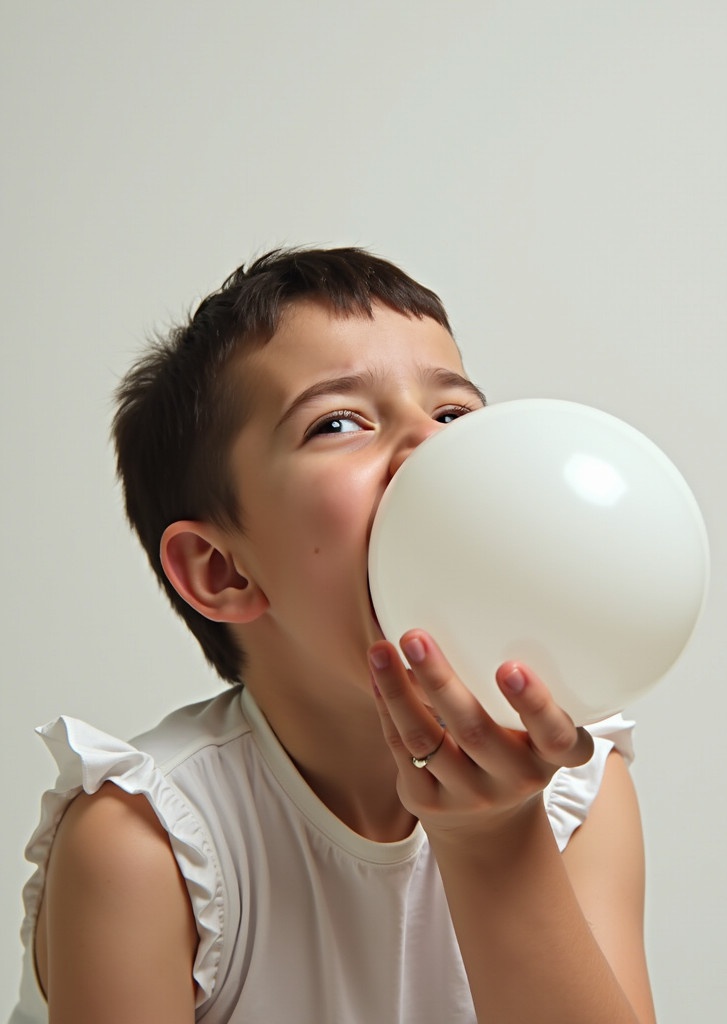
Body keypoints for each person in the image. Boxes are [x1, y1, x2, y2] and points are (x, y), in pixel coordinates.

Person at [11, 247, 656, 1023]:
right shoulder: (145, 845)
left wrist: (497, 841)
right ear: (222, 571)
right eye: (338, 422)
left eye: (453, 414)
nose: (433, 448)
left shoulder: (577, 789)